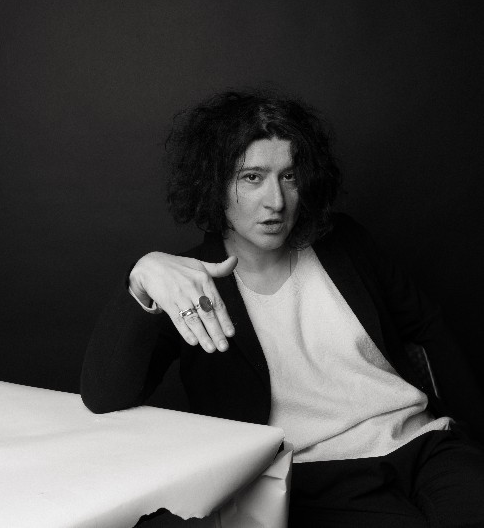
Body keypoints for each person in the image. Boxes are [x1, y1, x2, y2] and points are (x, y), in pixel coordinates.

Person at [81, 89, 484, 527]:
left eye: (289, 176)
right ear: (214, 185)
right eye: (252, 177)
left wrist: (472, 433)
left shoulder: (343, 242)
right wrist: (141, 279)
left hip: (427, 446)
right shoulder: (190, 287)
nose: (276, 201)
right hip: (318, 476)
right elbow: (105, 396)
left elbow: (427, 327)